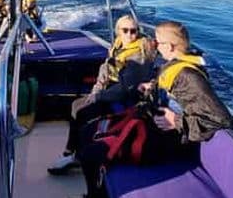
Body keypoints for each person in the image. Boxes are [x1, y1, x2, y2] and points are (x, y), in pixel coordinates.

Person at [68, 20, 233, 198]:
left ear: (171, 46)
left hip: (167, 141)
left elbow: (221, 118)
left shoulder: (188, 76)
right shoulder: (174, 66)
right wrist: (151, 87)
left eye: (158, 43)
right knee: (87, 132)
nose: (154, 46)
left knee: (91, 155)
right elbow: (172, 93)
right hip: (151, 124)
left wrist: (177, 121)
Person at [48, 15, 155, 175]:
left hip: (126, 99)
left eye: (134, 31)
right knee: (76, 105)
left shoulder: (137, 57)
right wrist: (96, 91)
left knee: (83, 112)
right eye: (125, 31)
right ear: (118, 31)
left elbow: (125, 89)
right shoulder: (118, 46)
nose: (130, 35)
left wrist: (98, 97)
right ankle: (72, 151)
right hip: (111, 91)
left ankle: (78, 155)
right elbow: (104, 72)